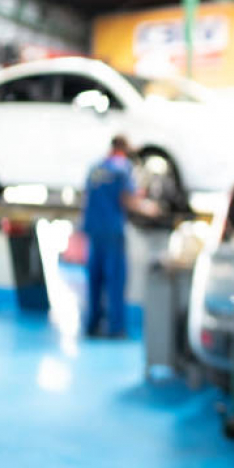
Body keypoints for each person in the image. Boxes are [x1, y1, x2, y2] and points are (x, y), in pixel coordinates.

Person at [82, 135, 159, 338]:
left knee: (94, 280)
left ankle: (91, 325)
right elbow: (128, 199)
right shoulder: (122, 167)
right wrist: (151, 209)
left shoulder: (95, 167)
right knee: (116, 280)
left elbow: (87, 197)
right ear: (123, 149)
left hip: (93, 229)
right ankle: (116, 328)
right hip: (112, 230)